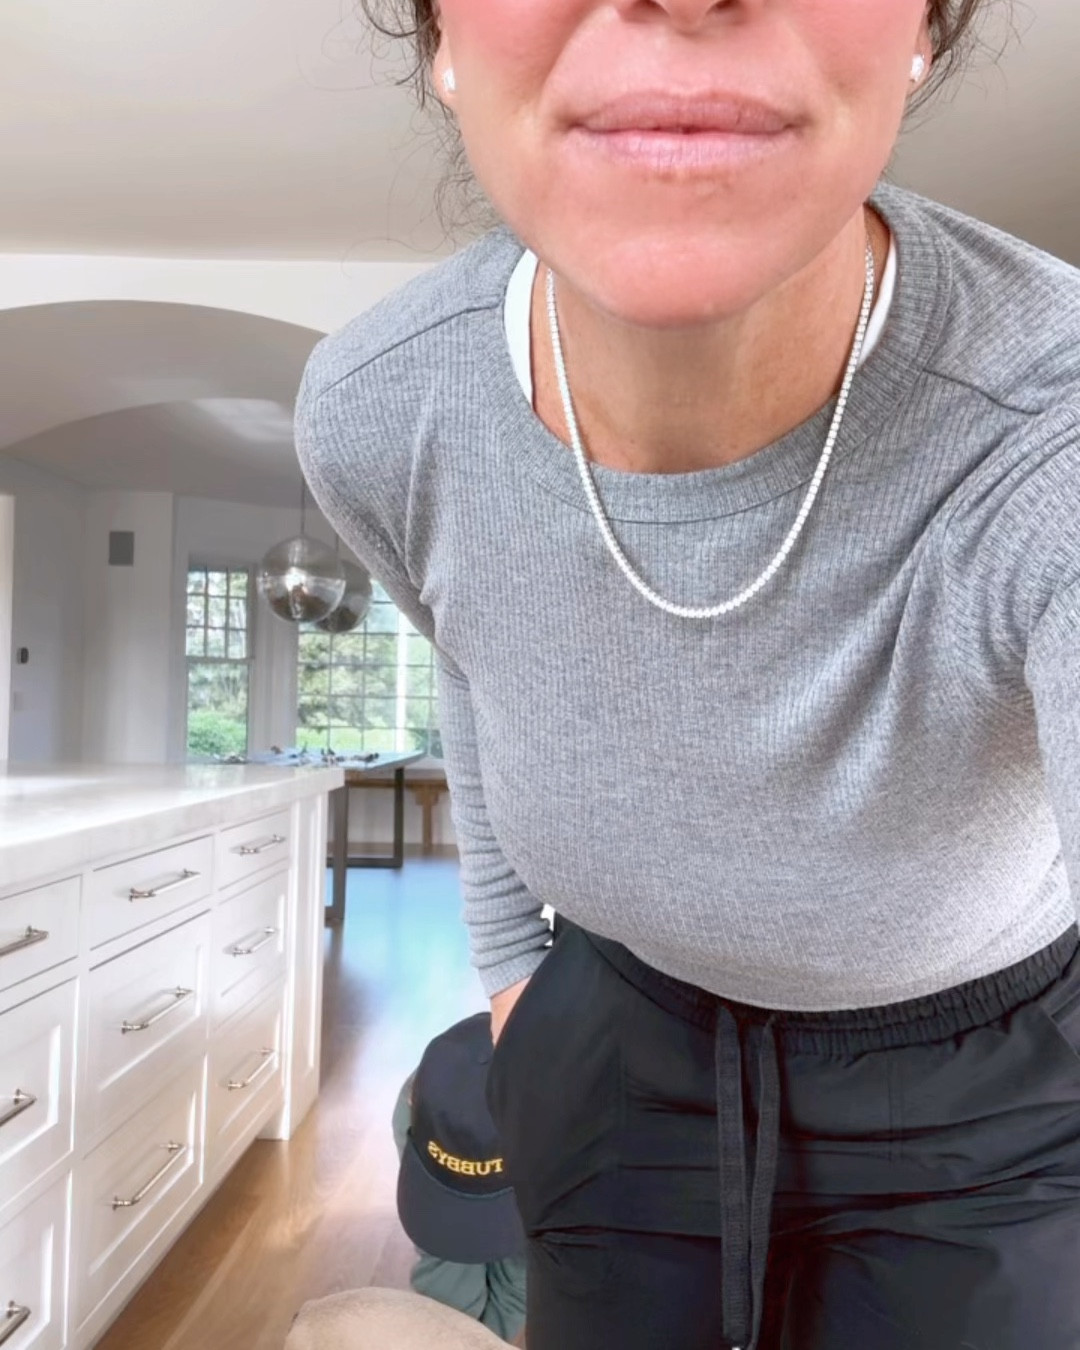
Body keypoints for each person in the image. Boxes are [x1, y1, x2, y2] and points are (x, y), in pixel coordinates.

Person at [295, 2, 1080, 1346]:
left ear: (924, 29)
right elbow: (475, 665)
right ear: (440, 36)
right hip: (610, 1035)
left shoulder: (1048, 427)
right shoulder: (377, 411)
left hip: (987, 1094)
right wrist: (513, 979)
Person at [393, 1014, 528, 1346]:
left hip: (555, 1147)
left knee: (526, 1268)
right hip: (435, 1138)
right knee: (448, 1267)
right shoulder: (419, 1108)